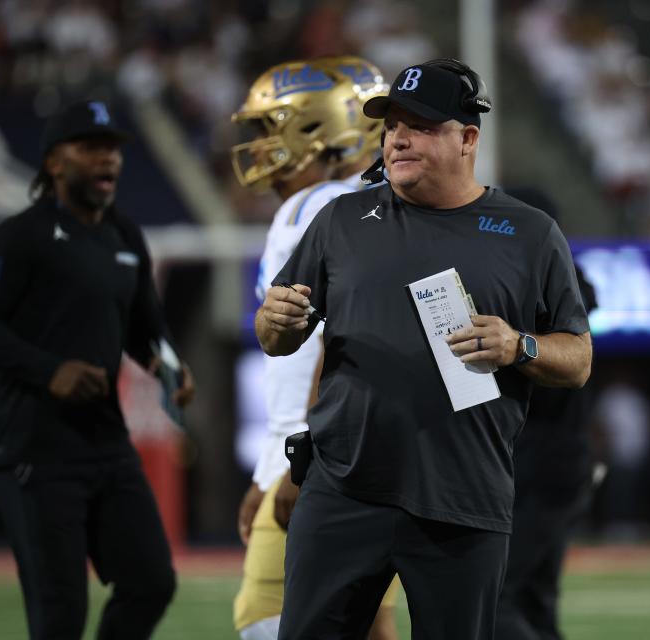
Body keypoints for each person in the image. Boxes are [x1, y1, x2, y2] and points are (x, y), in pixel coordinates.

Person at [255, 58, 592, 639]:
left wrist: (519, 345)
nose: (398, 138)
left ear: (467, 139)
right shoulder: (341, 219)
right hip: (343, 490)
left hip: (463, 500)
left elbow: (577, 359)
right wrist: (275, 320)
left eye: (421, 125)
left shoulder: (530, 233)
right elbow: (278, 340)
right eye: (391, 126)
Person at [0, 101, 195, 639]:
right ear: (54, 162)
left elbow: (145, 328)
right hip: (32, 447)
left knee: (151, 582)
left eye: (113, 150)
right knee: (60, 614)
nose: (108, 160)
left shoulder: (125, 236)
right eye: (91, 148)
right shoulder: (20, 236)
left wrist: (170, 368)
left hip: (104, 441)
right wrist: (49, 369)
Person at [230, 55, 400, 640]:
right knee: (365, 617)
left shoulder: (315, 207)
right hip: (372, 451)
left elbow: (339, 339)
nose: (257, 145)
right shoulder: (374, 201)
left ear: (319, 128)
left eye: (268, 127)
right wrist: (265, 469)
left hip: (324, 450)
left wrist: (303, 458)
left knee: (265, 622)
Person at [492, 189, 598, 640]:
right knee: (535, 597)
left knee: (496, 597)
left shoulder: (555, 275)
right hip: (554, 457)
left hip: (545, 458)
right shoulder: (564, 275)